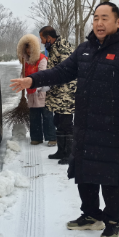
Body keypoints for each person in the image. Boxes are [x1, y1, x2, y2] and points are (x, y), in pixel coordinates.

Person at [10, 2, 119, 237]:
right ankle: (91, 215)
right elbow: (61, 72)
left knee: (110, 177)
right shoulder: (85, 50)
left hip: (112, 128)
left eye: (105, 18)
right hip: (84, 125)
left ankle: (114, 223)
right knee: (84, 173)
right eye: (96, 18)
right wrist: (31, 80)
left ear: (118, 22)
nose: (99, 23)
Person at [38, 26, 77, 159]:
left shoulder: (63, 48)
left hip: (66, 93)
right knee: (59, 121)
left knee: (66, 123)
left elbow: (66, 72)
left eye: (42, 38)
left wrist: (49, 83)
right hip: (57, 93)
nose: (41, 41)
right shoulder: (53, 48)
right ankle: (61, 151)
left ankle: (69, 154)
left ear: (49, 37)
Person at [17, 34, 56, 145]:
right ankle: (36, 137)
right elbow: (23, 74)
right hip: (31, 92)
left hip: (41, 91)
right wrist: (22, 83)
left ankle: (52, 137)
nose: (28, 51)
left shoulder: (42, 59)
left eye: (30, 48)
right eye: (26, 48)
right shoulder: (26, 61)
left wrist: (36, 87)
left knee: (47, 116)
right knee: (34, 116)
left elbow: (42, 75)